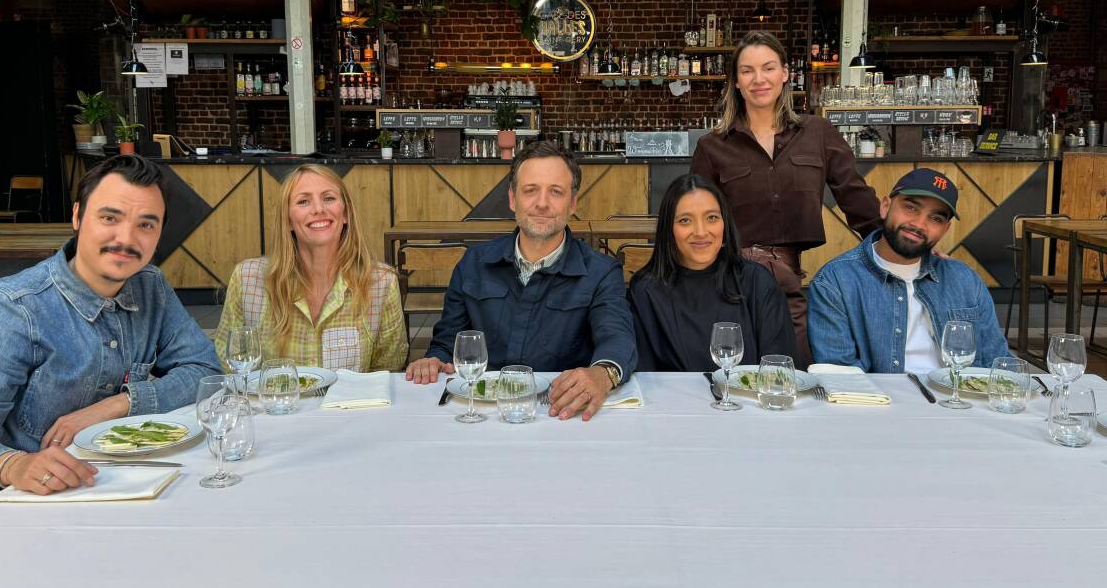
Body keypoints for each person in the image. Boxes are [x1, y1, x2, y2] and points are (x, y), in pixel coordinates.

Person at [0, 155, 219, 553]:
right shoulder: (11, 308)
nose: (127, 238)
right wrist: (14, 465)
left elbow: (204, 371)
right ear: (77, 216)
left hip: (105, 511)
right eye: (110, 217)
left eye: (146, 224)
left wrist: (116, 406)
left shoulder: (149, 286)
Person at [405, 140, 637, 421]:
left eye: (556, 191)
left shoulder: (601, 272)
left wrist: (602, 374)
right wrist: (433, 360)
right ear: (513, 199)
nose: (542, 203)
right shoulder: (473, 265)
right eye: (530, 191)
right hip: (482, 414)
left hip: (560, 414)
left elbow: (617, 338)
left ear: (572, 203)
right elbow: (447, 342)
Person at [690, 30, 881, 364]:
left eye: (768, 68)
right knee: (730, 373)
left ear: (785, 74)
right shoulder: (712, 145)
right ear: (736, 81)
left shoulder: (817, 133)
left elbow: (855, 195)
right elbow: (694, 214)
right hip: (730, 279)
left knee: (796, 368)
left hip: (788, 279)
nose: (758, 79)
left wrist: (892, 244)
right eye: (747, 71)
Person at [807, 168, 1007, 373]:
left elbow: (997, 362)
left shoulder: (964, 280)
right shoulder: (835, 282)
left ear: (945, 230)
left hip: (957, 399)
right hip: (881, 402)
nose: (919, 224)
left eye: (936, 219)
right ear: (885, 207)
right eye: (911, 208)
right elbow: (840, 375)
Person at [214, 164, 406, 373]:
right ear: (288, 220)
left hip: (349, 406)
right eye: (303, 201)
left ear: (346, 214)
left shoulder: (381, 283)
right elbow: (229, 366)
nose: (318, 209)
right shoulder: (247, 280)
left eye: (329, 198)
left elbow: (387, 372)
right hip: (274, 406)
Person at [629, 173, 797, 371]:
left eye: (711, 218)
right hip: (673, 402)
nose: (700, 231)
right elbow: (644, 382)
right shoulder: (645, 291)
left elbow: (779, 373)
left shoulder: (757, 283)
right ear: (668, 228)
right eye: (685, 220)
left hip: (747, 401)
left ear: (724, 224)